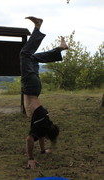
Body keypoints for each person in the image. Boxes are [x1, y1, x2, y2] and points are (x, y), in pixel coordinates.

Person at [20, 16, 68, 169]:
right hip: (31, 88)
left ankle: (60, 49)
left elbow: (38, 136)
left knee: (32, 58)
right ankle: (38, 27)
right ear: (47, 135)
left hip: (35, 89)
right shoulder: (41, 127)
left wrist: (42, 150)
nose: (44, 138)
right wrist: (31, 158)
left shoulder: (46, 123)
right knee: (25, 55)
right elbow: (29, 139)